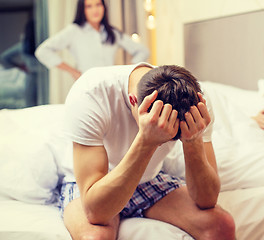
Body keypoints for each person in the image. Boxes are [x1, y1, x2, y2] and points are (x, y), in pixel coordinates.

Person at [60, 62, 236, 240]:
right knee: (95, 238)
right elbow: (96, 213)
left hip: (148, 180)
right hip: (94, 184)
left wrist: (193, 140)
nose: (164, 141)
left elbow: (207, 200)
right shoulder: (92, 92)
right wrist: (146, 141)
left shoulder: (196, 103)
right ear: (133, 101)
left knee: (222, 225)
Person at [35, 0, 149, 81]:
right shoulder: (74, 31)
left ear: (104, 7)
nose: (95, 10)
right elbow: (42, 51)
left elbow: (143, 51)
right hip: (86, 85)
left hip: (111, 85)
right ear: (82, 9)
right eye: (89, 6)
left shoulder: (112, 33)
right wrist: (73, 71)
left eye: (98, 4)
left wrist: (126, 70)